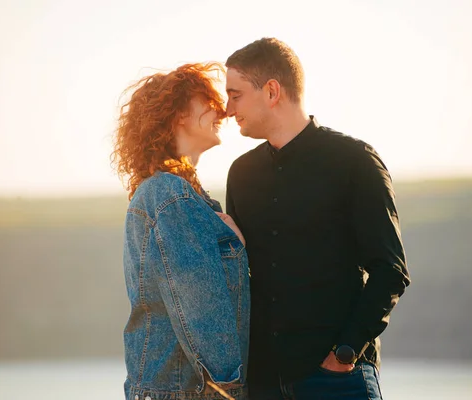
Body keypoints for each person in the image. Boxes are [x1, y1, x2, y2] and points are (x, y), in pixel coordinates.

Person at [224, 38, 411, 399]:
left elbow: (390, 269)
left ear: (272, 91)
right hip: (263, 382)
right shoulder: (241, 173)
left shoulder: (354, 162)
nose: (228, 109)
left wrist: (345, 351)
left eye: (236, 95)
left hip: (337, 379)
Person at [111, 62, 250, 400]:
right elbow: (199, 303)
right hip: (184, 391)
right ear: (179, 116)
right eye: (208, 100)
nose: (222, 110)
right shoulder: (169, 195)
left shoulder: (187, 197)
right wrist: (230, 387)